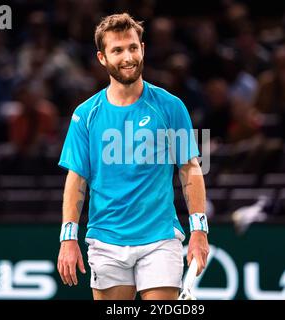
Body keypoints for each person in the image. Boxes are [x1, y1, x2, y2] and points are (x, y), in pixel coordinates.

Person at [57, 13, 209, 300]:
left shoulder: (171, 107)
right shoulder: (85, 116)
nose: (127, 57)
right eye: (117, 50)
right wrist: (68, 238)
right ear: (102, 58)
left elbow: (190, 169)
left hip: (160, 239)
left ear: (143, 49)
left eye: (133, 48)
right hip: (105, 241)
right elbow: (76, 179)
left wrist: (199, 230)